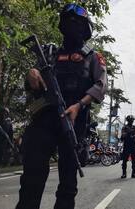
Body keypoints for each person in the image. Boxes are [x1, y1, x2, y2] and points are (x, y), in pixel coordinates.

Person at [16, 3, 108, 209]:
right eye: (68, 21)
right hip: (45, 119)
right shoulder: (49, 53)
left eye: (78, 23)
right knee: (32, 177)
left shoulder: (93, 57)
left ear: (86, 29)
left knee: (67, 181)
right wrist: (31, 74)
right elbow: (33, 86)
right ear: (62, 25)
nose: (72, 26)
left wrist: (79, 104)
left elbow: (101, 86)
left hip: (73, 123)